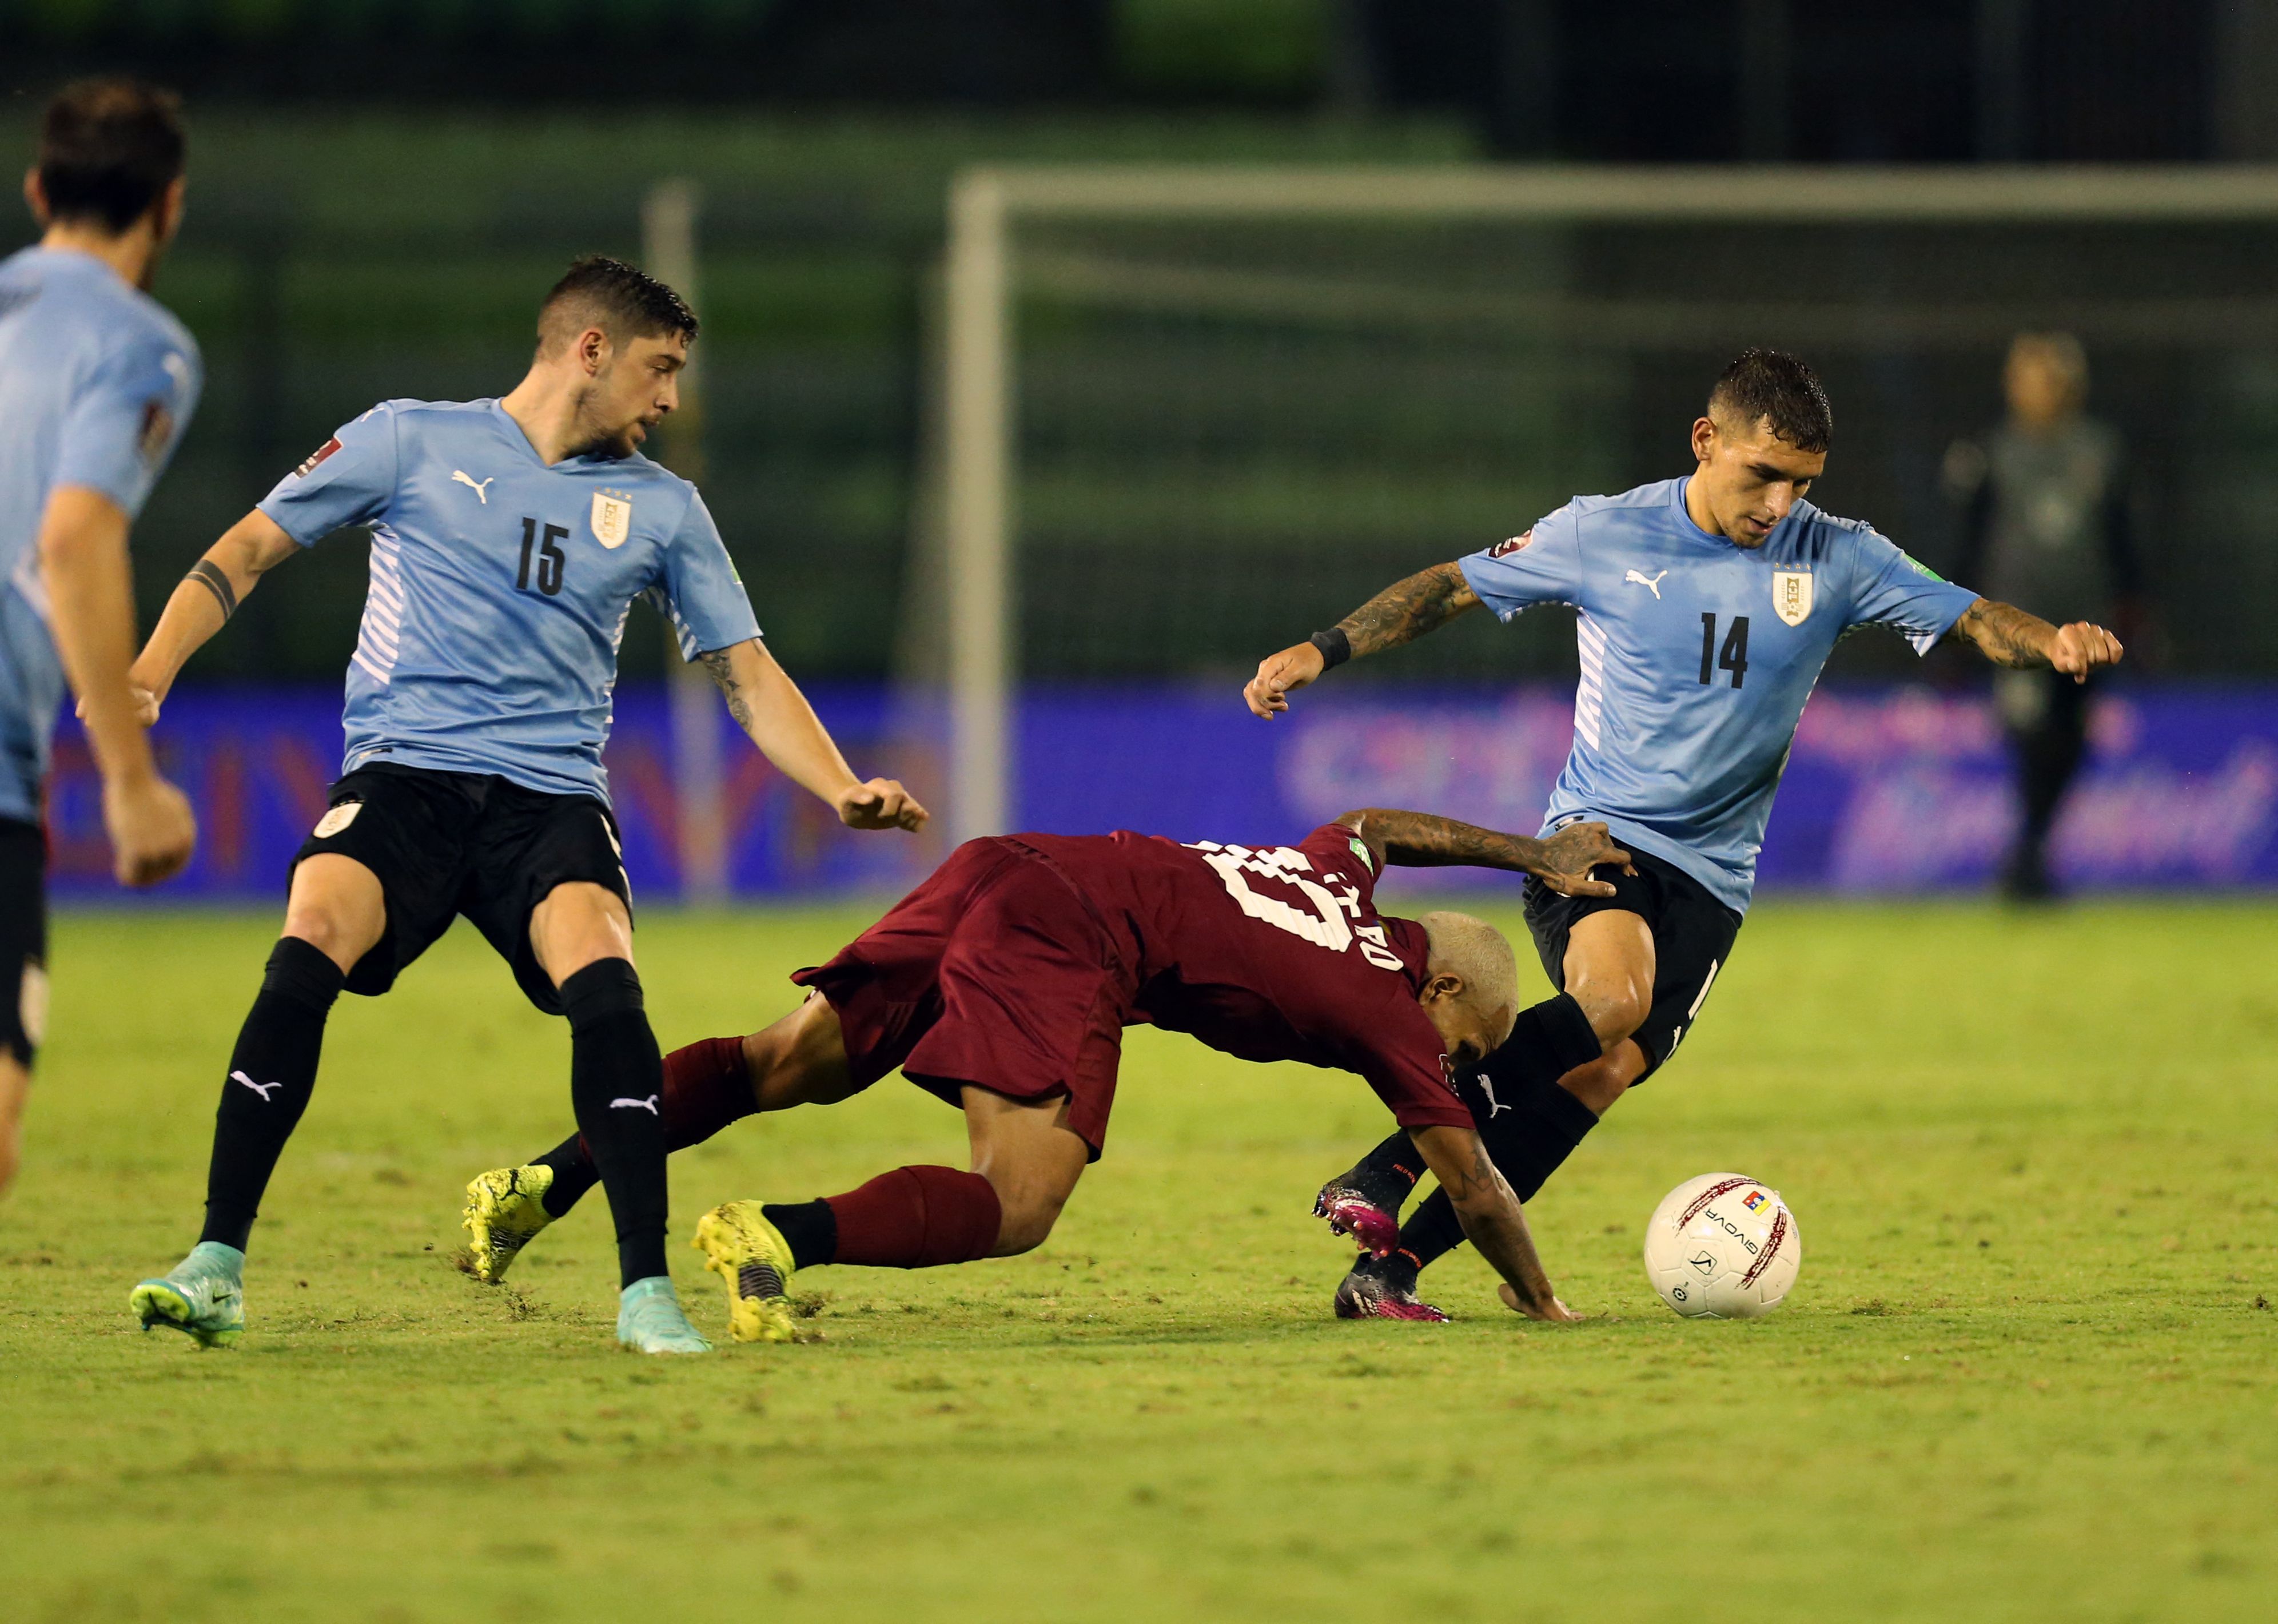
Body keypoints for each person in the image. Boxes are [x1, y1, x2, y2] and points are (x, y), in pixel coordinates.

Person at [124, 256, 926, 1354]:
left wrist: (841, 786)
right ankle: (216, 1262)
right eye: (658, 369)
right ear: (588, 351)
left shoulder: (662, 509)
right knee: (307, 939)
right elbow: (249, 548)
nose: (670, 399)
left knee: (606, 978)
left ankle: (645, 1295)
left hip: (548, 801)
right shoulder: (410, 439)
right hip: (403, 776)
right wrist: (149, 671)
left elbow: (745, 670)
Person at [1244, 348, 2125, 1319]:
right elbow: (1451, 587)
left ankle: (1391, 1269)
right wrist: (1319, 648)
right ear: (1705, 443)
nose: (1779, 501)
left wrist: (2047, 639)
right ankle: (1381, 1168)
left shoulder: (1835, 554)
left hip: (1714, 880)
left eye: (1800, 482)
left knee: (1605, 1071)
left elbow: (1968, 615)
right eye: (1762, 474)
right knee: (1611, 1002)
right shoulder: (1604, 531)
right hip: (1598, 840)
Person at [459, 808, 1631, 1340]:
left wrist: (1530, 855)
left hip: (1007, 860)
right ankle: (776, 1234)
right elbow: (1474, 1185)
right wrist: (1541, 1299)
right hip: (1071, 939)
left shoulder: (1334, 873)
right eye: (1464, 1045)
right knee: (1020, 1202)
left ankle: (537, 1184)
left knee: (779, 1062)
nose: (1447, 1067)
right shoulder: (1386, 1004)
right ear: (1442, 996)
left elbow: (1378, 825)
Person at [0, 79, 202, 1199]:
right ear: (168, 209)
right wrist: (128, 778)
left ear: (37, 190)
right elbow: (75, 536)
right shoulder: (141, 347)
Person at [1945, 332, 2144, 902]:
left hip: (2089, 625)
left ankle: (2029, 851)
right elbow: (1968, 538)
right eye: (2030, 379)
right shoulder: (1991, 452)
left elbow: (2125, 537)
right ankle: (2027, 861)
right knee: (2030, 734)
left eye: (2052, 380)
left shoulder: (2102, 451)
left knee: (2072, 739)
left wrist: (2135, 610)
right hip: (2019, 630)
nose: (2041, 392)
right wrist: (1955, 622)